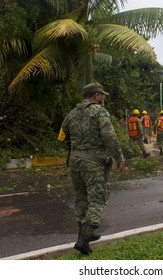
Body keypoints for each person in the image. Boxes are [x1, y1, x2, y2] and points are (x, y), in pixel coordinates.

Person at [57, 82, 125, 255]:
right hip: (93, 164)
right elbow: (109, 136)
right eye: (101, 95)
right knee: (98, 199)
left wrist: (73, 148)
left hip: (74, 163)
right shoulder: (99, 112)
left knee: (81, 199)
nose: (102, 98)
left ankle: (85, 235)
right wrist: (119, 157)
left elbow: (62, 134)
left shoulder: (72, 113)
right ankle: (83, 239)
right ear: (96, 95)